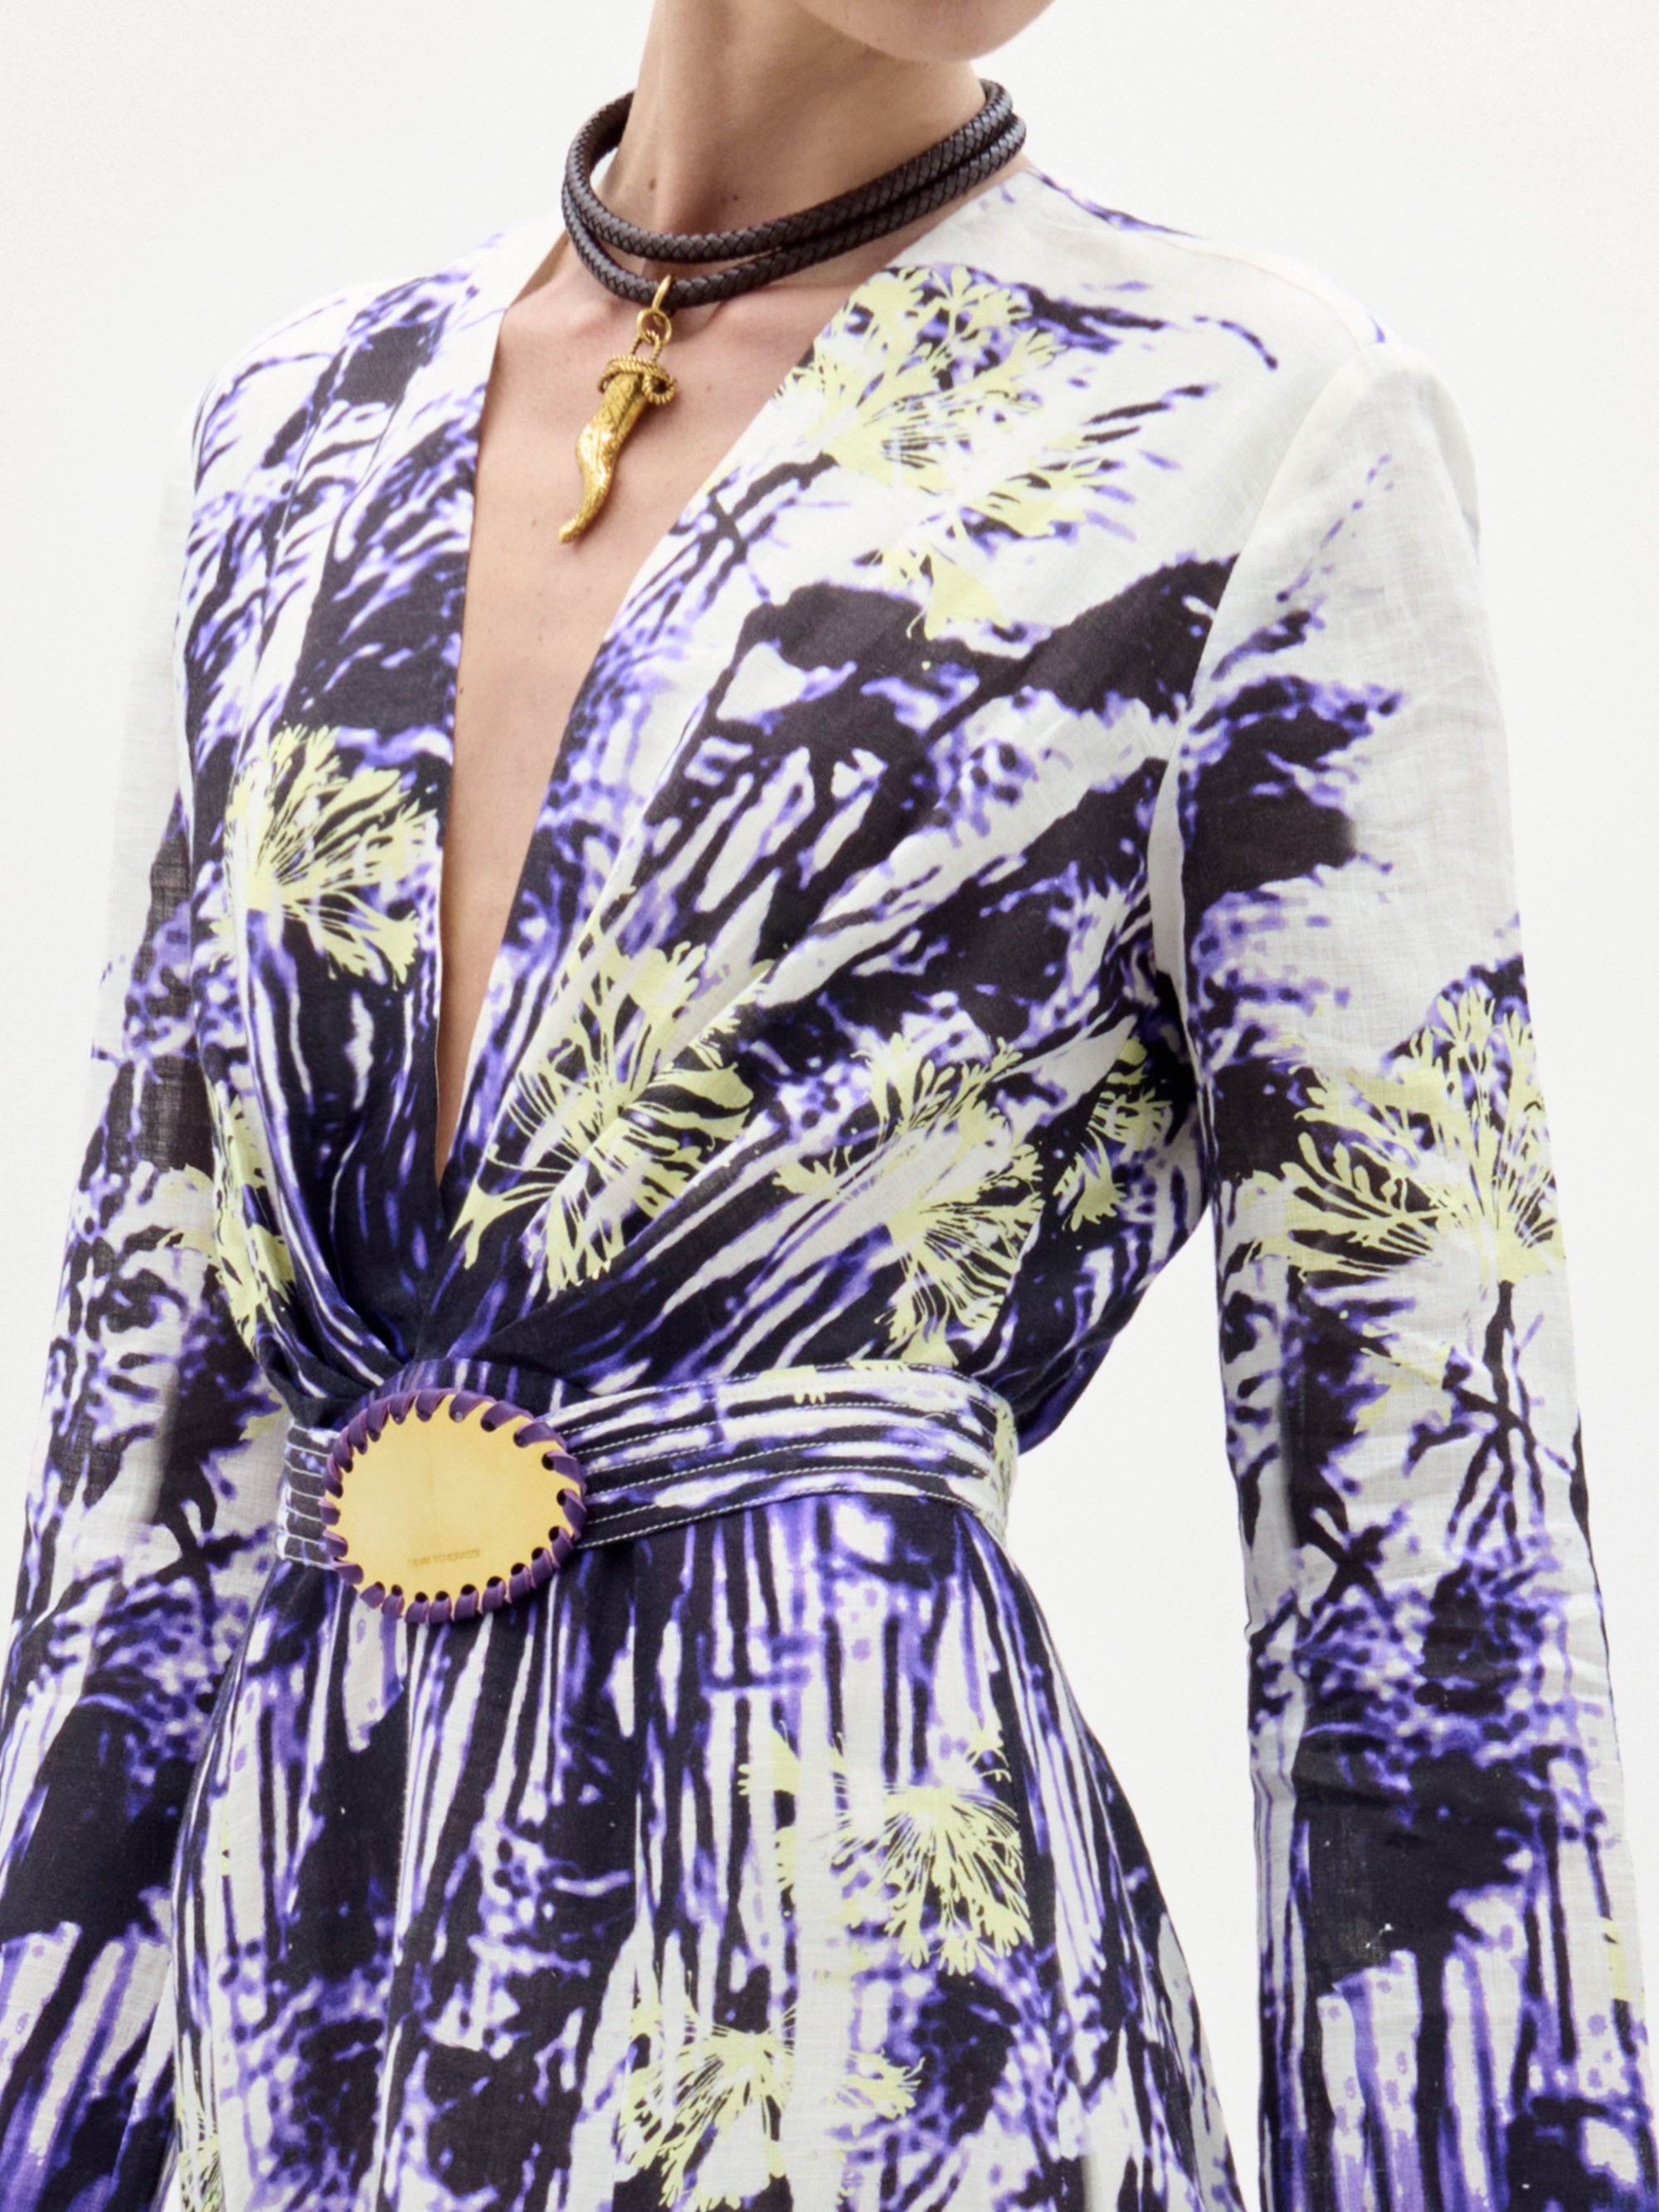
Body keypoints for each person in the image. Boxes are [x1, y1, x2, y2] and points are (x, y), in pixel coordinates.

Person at [0, 0, 1650, 2205]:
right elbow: (143, 1470)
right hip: (284, 2067)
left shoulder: (1255, 437)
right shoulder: (294, 447)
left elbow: (1430, 1556)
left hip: (884, 2069)